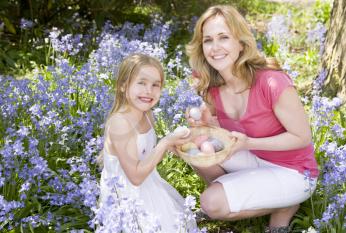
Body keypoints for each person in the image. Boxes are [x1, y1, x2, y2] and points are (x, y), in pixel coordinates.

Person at [185, 5, 318, 233]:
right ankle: (242, 194)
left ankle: (286, 203)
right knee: (194, 148)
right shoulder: (213, 87)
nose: (215, 48)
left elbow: (302, 137)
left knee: (210, 203)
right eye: (208, 40)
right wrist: (203, 123)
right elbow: (217, 125)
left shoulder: (271, 82)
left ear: (241, 43)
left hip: (293, 171)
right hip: (253, 158)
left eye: (223, 37)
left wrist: (249, 143)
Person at [99, 53, 195, 232]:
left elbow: (145, 152)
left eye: (155, 85)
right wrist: (165, 143)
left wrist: (176, 146)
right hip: (126, 197)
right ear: (122, 86)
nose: (148, 91)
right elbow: (135, 177)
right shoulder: (120, 123)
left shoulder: (146, 113)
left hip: (150, 185)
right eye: (141, 83)